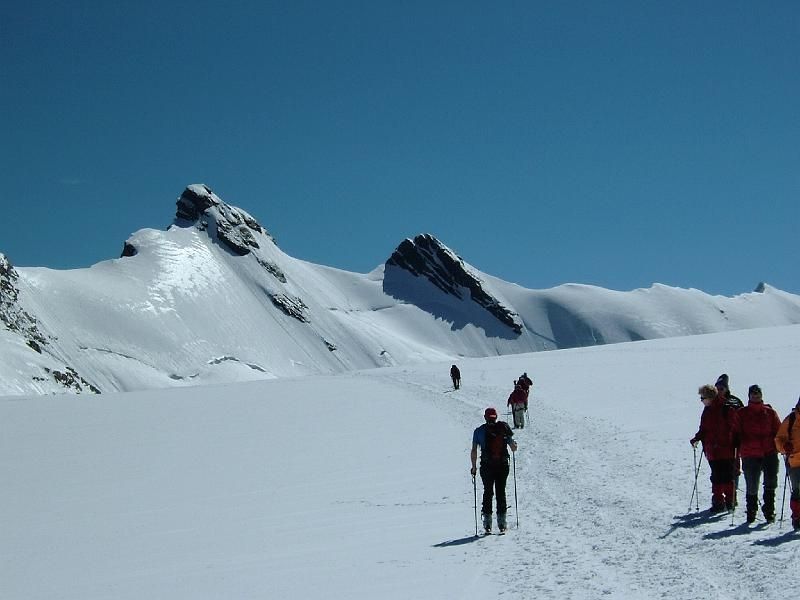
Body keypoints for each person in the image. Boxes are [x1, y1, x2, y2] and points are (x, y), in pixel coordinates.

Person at [690, 383, 740, 513]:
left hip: (726, 449)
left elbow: (734, 427)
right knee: (716, 476)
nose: (701, 401)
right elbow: (704, 429)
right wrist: (697, 438)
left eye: (703, 398)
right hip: (712, 450)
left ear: (710, 397)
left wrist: (734, 441)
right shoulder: (707, 410)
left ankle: (730, 501)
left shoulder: (726, 408)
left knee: (727, 476)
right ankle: (719, 501)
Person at [736, 384, 781, 523]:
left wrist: (780, 447)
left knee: (770, 483)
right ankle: (751, 511)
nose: (756, 396)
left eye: (758, 393)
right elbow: (736, 431)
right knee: (752, 484)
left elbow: (778, 431)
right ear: (749, 396)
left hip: (769, 452)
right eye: (753, 393)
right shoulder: (742, 413)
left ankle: (769, 510)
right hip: (750, 454)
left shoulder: (770, 412)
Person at [470, 407, 517, 533]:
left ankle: (487, 523)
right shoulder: (503, 428)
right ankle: (502, 523)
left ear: (485, 417)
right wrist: (513, 444)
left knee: (488, 492)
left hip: (486, 466)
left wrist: (474, 467)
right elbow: (513, 448)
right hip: (502, 465)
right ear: (496, 417)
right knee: (501, 491)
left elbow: (474, 450)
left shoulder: (479, 431)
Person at [775, 396, 800, 530]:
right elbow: (778, 439)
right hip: (795, 461)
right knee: (797, 491)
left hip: (794, 460)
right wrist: (785, 447)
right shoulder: (791, 419)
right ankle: (797, 517)